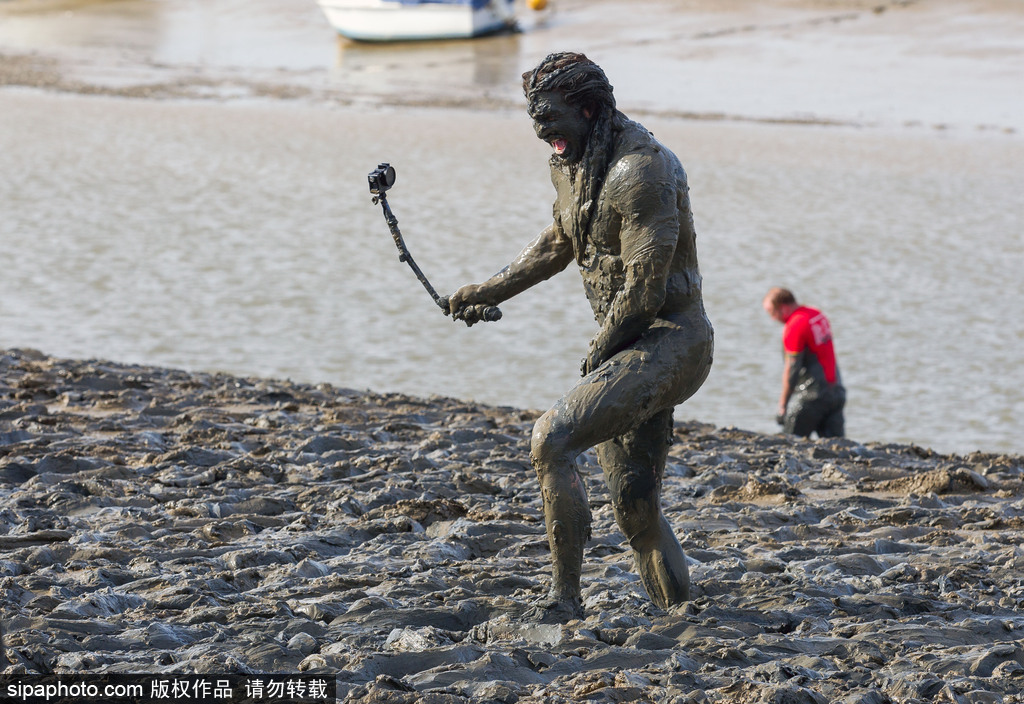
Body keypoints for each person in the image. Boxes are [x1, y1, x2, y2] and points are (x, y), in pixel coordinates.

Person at [448, 52, 714, 622]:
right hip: (629, 341)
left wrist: (599, 352)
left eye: (551, 118)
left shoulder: (641, 170)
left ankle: (564, 601)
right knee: (634, 505)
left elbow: (644, 289)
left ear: (590, 109)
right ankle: (682, 616)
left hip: (671, 340)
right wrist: (488, 291)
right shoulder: (571, 160)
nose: (543, 133)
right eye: (534, 120)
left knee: (551, 440)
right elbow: (558, 242)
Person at [762, 287, 845, 438]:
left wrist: (782, 405)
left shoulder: (795, 325)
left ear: (783, 308)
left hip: (812, 396)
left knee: (790, 441)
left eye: (772, 313)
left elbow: (792, 368)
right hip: (836, 392)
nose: (773, 319)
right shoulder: (816, 314)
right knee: (836, 447)